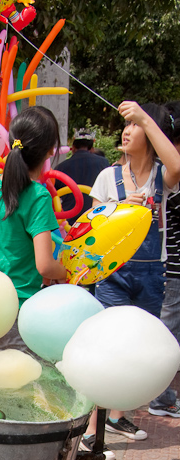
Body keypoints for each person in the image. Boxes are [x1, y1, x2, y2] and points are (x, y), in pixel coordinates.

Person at [85, 101, 180, 441]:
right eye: (125, 125)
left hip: (153, 274)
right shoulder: (107, 176)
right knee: (107, 345)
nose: (127, 130)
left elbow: (177, 165)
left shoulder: (161, 176)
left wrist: (145, 116)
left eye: (135, 125)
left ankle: (117, 416)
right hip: (113, 274)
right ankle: (93, 427)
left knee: (136, 345)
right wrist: (121, 209)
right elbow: (92, 229)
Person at [0, 105, 67, 350]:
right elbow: (44, 265)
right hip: (21, 309)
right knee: (24, 382)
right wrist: (68, 272)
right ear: (51, 150)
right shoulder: (38, 196)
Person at [158, 102, 180, 370]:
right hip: (171, 269)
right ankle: (161, 398)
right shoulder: (164, 179)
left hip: (166, 271)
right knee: (167, 336)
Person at [55, 128, 109, 225]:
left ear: (73, 147)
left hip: (68, 223)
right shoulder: (104, 163)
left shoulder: (60, 167)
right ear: (91, 148)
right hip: (94, 219)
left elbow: (54, 196)